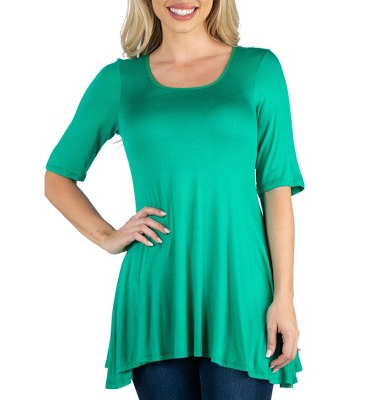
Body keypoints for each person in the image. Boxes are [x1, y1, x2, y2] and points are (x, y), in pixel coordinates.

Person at [44, 0, 305, 398]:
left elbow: (276, 190)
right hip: (156, 291)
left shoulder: (259, 70)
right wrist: (107, 236)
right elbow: (57, 177)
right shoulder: (120, 81)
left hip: (241, 289)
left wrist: (284, 297)